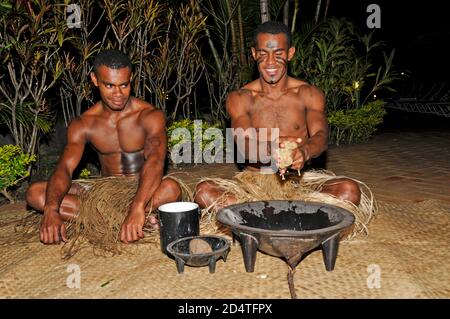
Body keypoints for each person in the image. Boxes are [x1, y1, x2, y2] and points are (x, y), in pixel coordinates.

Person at [195, 21, 365, 215]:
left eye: (278, 55)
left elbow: (321, 135)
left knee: (348, 190)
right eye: (263, 54)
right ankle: (291, 218)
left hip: (300, 184)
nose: (270, 63)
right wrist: (272, 149)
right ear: (253, 54)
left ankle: (261, 218)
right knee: (205, 191)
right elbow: (243, 144)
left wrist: (305, 151)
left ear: (290, 53)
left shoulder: (308, 93)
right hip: (254, 185)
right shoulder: (240, 98)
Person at [26, 49, 181, 245]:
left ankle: (118, 218)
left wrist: (138, 205)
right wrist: (51, 210)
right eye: (109, 85)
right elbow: (65, 168)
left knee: (171, 188)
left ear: (131, 79)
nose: (118, 94)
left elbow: (156, 159)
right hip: (105, 192)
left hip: (144, 188)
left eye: (124, 85)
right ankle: (131, 220)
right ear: (94, 80)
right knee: (36, 193)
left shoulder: (149, 116)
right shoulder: (84, 123)